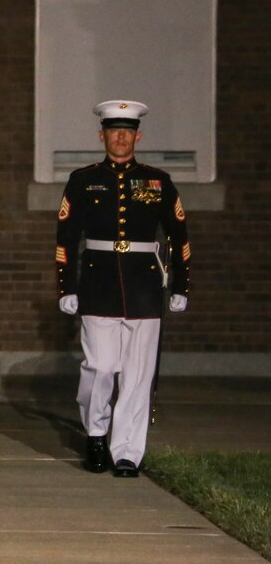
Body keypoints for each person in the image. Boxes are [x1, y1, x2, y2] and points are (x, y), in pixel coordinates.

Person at [56, 100, 191, 478]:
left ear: (138, 136)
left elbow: (179, 234)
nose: (121, 136)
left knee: (137, 374)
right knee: (99, 366)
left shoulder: (157, 180)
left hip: (145, 285)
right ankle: (96, 433)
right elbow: (66, 236)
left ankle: (127, 451)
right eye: (114, 130)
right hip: (98, 284)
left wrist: (180, 283)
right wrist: (66, 285)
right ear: (101, 135)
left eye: (128, 131)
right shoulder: (83, 180)